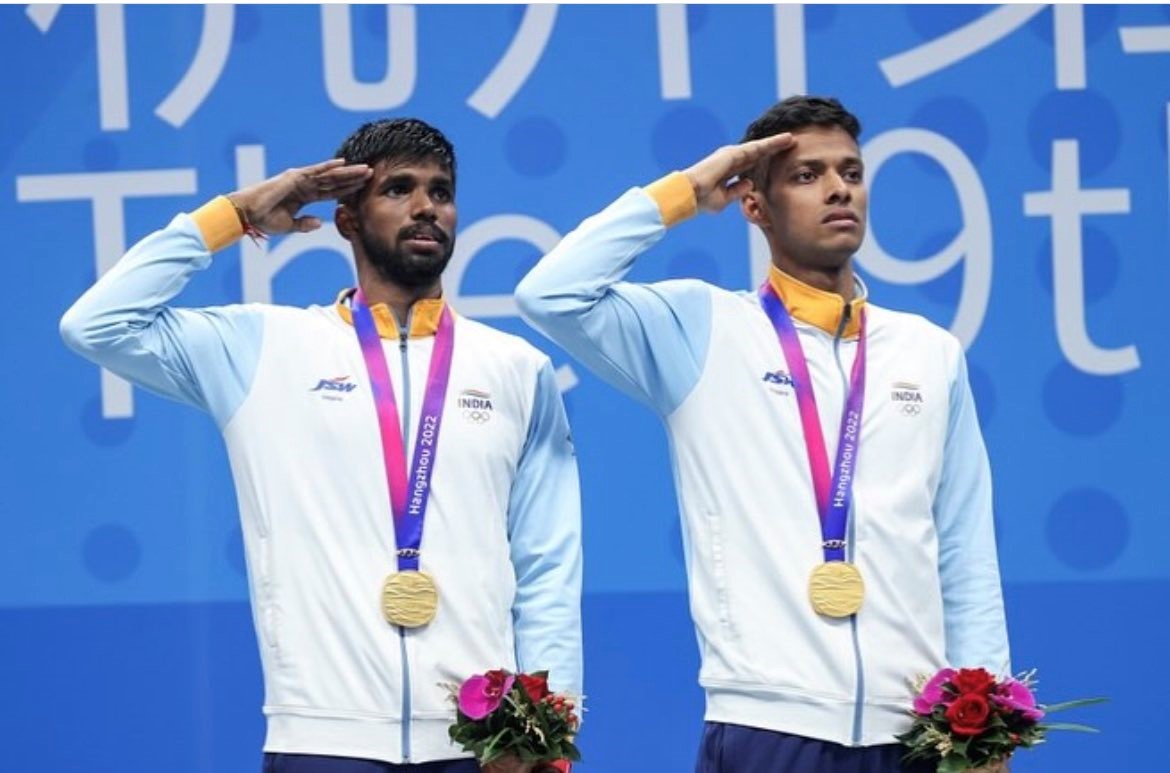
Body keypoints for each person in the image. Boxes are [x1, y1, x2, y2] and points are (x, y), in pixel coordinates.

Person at [60, 118, 582, 773]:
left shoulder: (516, 369)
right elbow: (95, 325)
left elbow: (547, 562)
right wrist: (237, 214)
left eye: (441, 191)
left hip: (478, 745)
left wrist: (543, 732)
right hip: (323, 738)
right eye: (398, 188)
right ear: (346, 219)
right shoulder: (262, 349)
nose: (426, 206)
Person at [515, 96, 1009, 772]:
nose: (838, 189)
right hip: (768, 727)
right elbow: (550, 293)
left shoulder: (929, 352)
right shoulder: (700, 330)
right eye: (807, 175)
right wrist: (687, 192)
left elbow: (963, 547)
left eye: (851, 172)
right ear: (754, 205)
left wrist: (988, 724)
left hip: (918, 734)